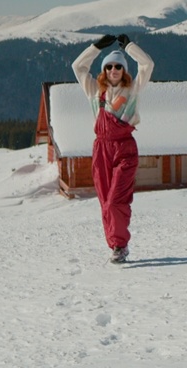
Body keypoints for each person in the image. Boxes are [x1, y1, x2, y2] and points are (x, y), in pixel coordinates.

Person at [71, 33, 155, 264]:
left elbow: (148, 64)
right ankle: (117, 245)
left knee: (116, 200)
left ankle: (120, 243)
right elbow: (78, 66)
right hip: (101, 150)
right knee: (105, 202)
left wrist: (129, 46)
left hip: (124, 149)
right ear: (105, 70)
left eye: (119, 66)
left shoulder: (133, 90)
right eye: (110, 66)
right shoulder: (94, 91)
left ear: (124, 70)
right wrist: (96, 47)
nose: (114, 70)